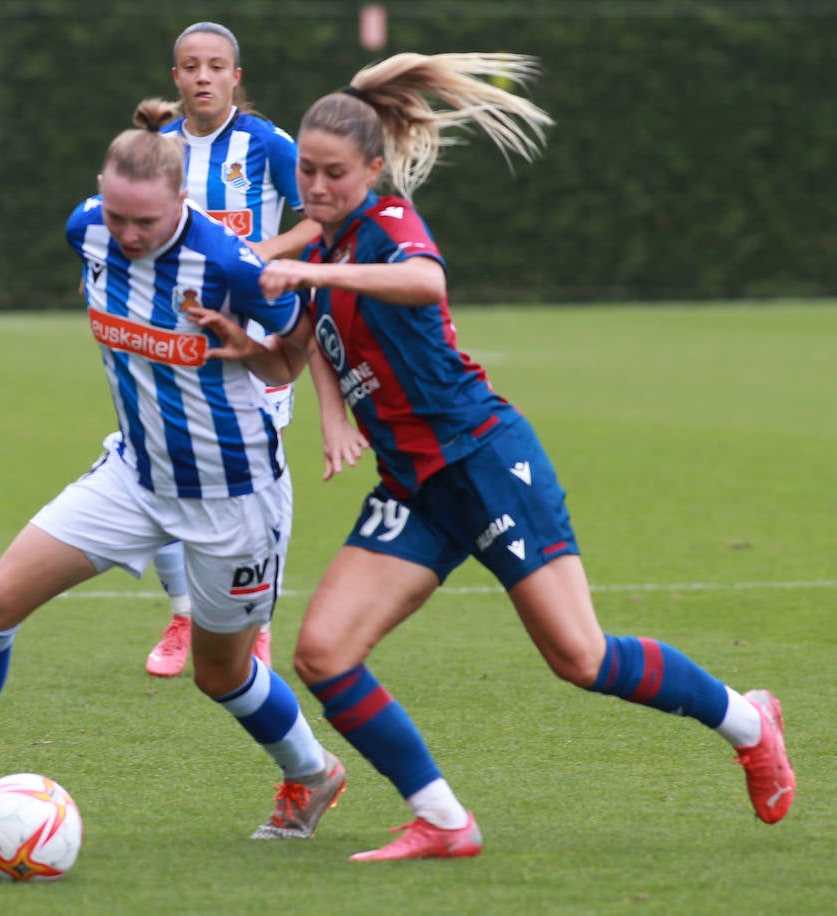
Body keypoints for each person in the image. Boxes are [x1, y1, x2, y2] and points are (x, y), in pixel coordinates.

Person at [200, 51, 796, 861]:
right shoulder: (324, 255)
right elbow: (288, 362)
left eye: (334, 173)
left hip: (483, 460)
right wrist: (241, 343)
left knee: (579, 658)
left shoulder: (384, 228)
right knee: (324, 653)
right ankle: (445, 820)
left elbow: (427, 284)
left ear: (373, 169)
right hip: (413, 484)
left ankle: (748, 720)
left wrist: (304, 261)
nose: (315, 187)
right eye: (306, 171)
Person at [0, 101, 348, 842]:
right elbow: (108, 259)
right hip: (133, 476)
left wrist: (240, 345)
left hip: (233, 498)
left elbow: (290, 357)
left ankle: (315, 774)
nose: (127, 235)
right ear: (100, 193)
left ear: (181, 201)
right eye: (117, 216)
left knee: (220, 676)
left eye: (145, 223)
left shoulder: (229, 267)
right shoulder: (84, 228)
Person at [142, 20, 321, 678]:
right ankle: (185, 614)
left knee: (258, 475)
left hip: (257, 338)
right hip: (175, 336)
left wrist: (259, 254)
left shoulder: (269, 144)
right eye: (190, 66)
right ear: (176, 78)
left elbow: (317, 217)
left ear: (235, 76)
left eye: (216, 66)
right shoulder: (157, 148)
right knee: (160, 465)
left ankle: (258, 622)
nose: (203, 77)